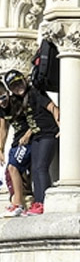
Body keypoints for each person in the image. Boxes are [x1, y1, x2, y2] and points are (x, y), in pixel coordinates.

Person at [6, 70, 59, 215]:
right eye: (13, 86)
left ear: (24, 80)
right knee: (35, 169)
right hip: (37, 136)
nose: (18, 87)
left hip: (47, 133)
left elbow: (53, 108)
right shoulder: (20, 100)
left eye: (19, 83)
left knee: (41, 167)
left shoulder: (35, 93)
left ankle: (43, 202)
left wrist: (61, 126)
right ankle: (37, 202)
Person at [0, 75, 31, 217]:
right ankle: (17, 200)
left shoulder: (17, 101)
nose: (2, 102)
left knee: (13, 167)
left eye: (3, 97)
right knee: (9, 172)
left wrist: (28, 134)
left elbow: (35, 118)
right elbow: (3, 129)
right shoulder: (2, 109)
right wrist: (1, 148)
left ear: (8, 92)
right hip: (16, 141)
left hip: (28, 140)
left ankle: (18, 205)